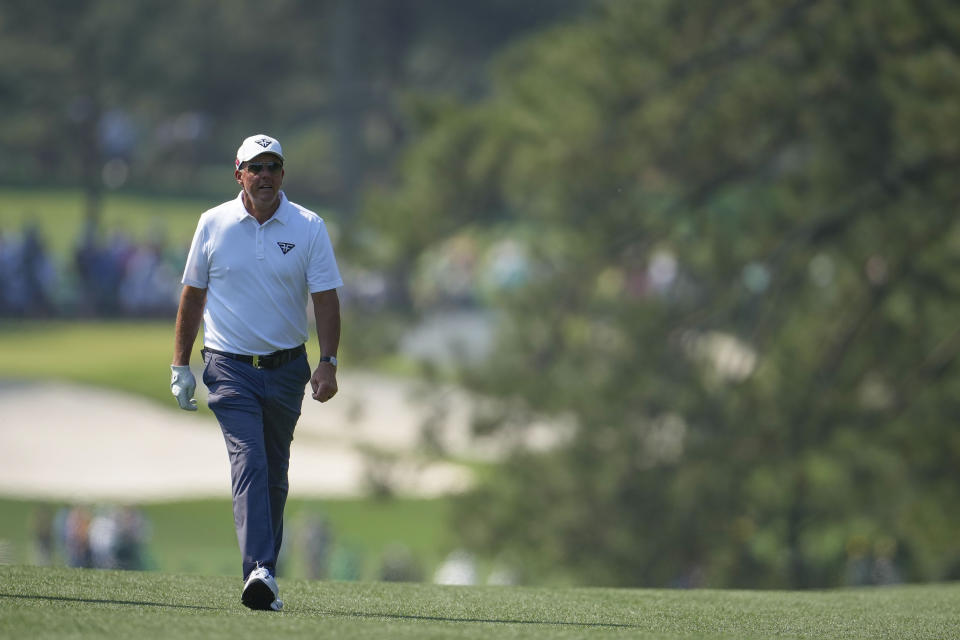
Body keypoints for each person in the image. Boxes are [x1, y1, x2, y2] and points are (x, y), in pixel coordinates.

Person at [171, 134, 343, 611]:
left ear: (282, 174)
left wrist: (328, 362)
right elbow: (192, 296)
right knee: (249, 458)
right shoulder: (213, 224)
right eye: (255, 167)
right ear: (238, 173)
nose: (264, 175)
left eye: (273, 167)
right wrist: (180, 364)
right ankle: (260, 570)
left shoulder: (308, 226)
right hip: (229, 366)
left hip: (288, 368)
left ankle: (263, 573)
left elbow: (326, 300)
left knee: (274, 469)